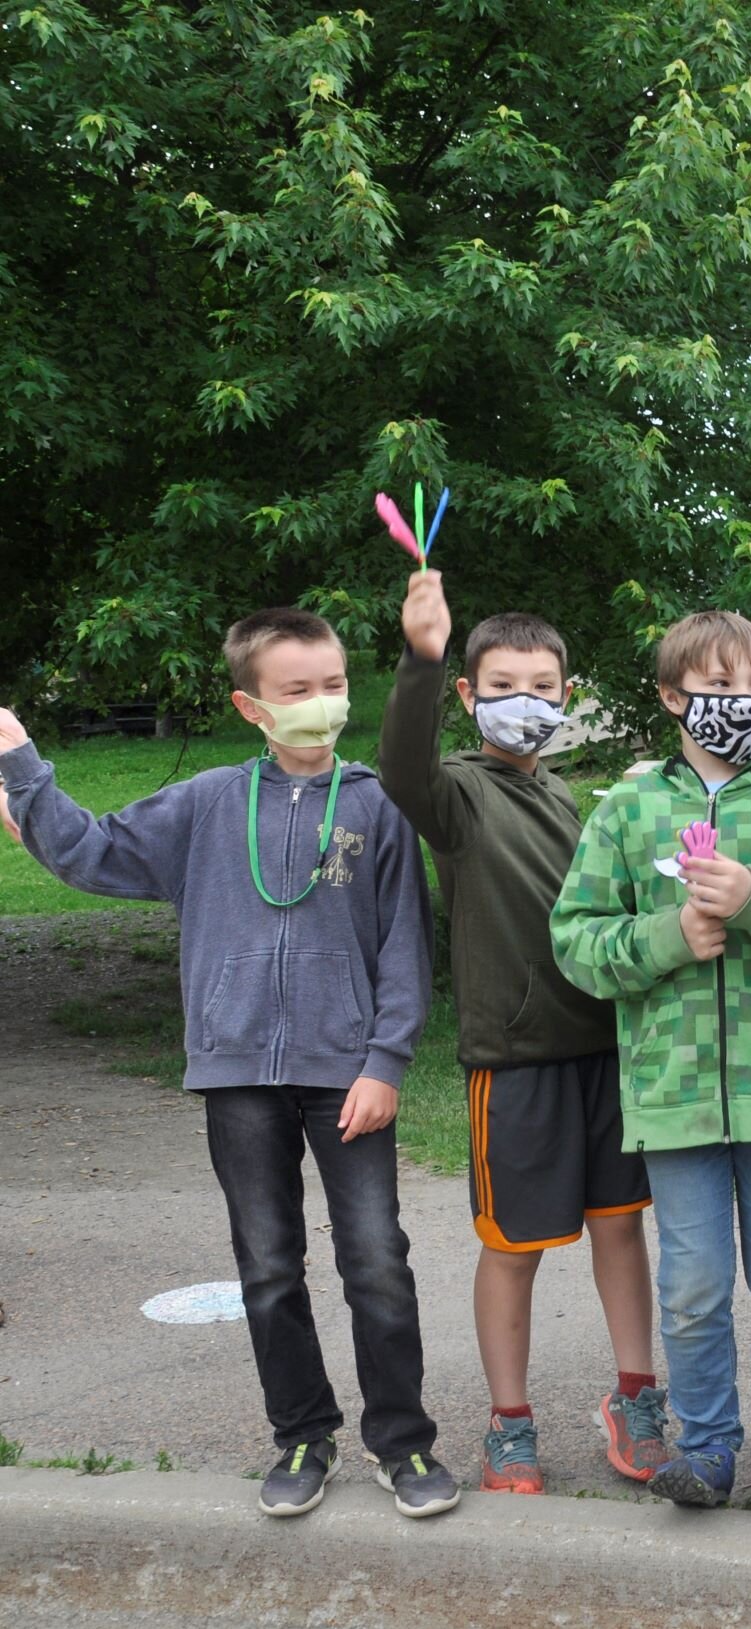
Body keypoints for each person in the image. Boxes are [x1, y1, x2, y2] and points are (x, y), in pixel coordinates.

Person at [0, 611, 455, 1519]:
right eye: (297, 690)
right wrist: (20, 761)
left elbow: (406, 950)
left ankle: (402, 1444)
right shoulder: (206, 800)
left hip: (349, 1075)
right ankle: (301, 1433)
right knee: (267, 1264)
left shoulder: (375, 807)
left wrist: (387, 1062)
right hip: (236, 1072)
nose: (321, 704)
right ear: (251, 705)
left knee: (376, 1259)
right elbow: (88, 849)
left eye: (332, 684)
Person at [550, 610, 751, 1517]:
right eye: (720, 686)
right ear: (670, 696)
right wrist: (670, 935)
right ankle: (707, 1447)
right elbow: (575, 941)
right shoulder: (626, 807)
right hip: (674, 1093)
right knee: (691, 1290)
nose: (743, 703)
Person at [379, 573, 665, 1496]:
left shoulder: (577, 801)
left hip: (607, 1053)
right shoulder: (456, 792)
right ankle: (510, 1420)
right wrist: (423, 657)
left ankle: (636, 1396)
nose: (525, 703)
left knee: (623, 1235)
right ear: (470, 696)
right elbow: (400, 768)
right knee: (514, 1247)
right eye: (502, 686)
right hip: (515, 1064)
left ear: (568, 696)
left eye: (543, 687)